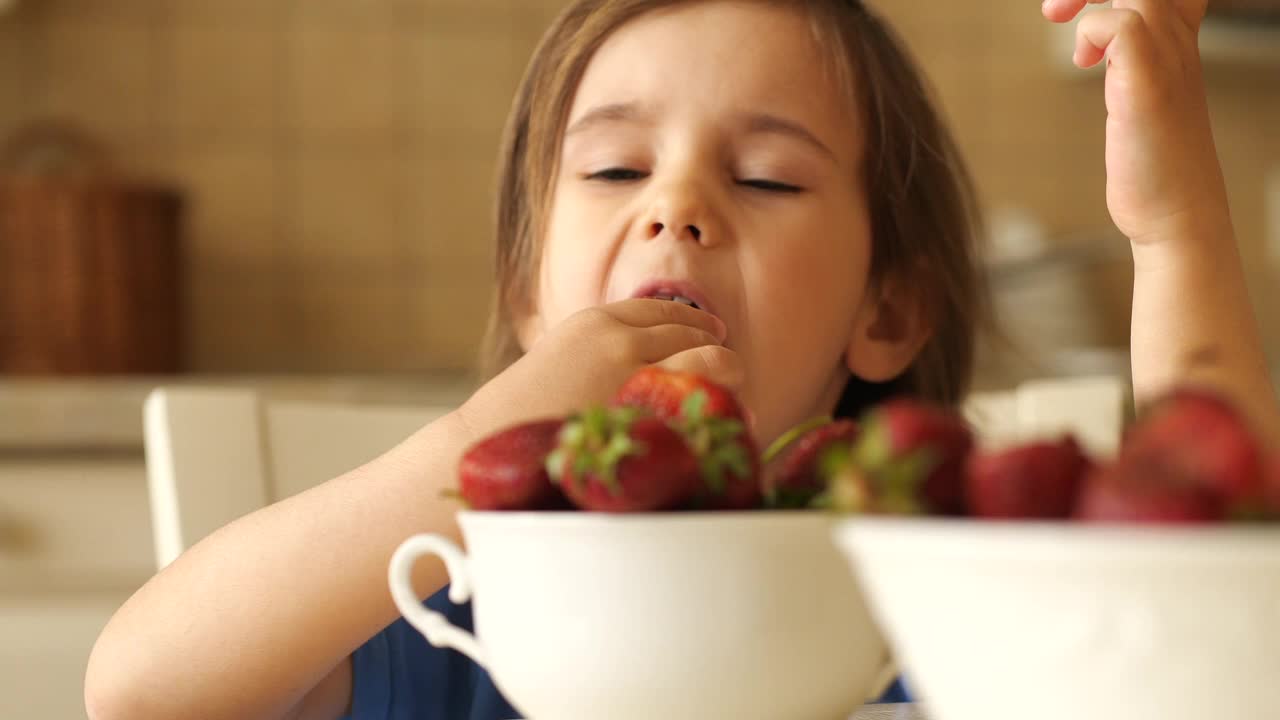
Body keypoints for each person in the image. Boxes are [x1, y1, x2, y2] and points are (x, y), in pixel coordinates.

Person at [84, 1, 1279, 718]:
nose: (676, 207)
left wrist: (1172, 232)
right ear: (524, 293)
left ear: (889, 309)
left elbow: (1213, 593)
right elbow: (140, 692)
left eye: (765, 177)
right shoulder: (440, 606)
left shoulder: (954, 607)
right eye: (613, 170)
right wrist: (474, 444)